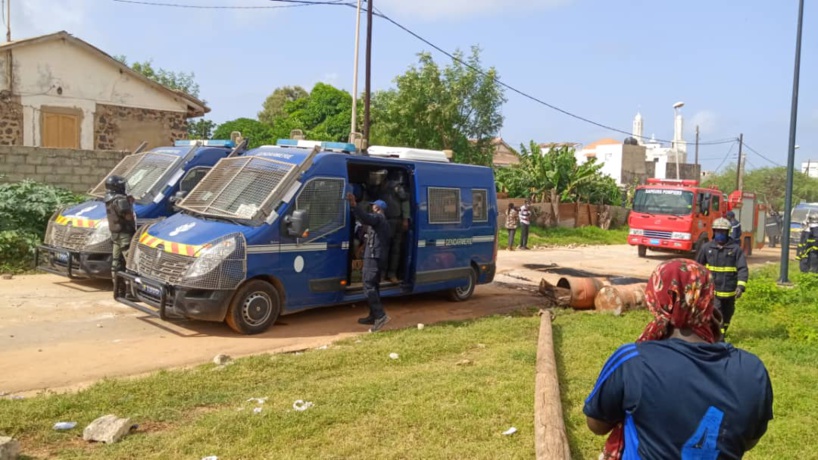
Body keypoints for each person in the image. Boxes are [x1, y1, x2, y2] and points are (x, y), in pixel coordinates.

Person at [584, 259, 773, 460]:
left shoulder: (633, 361)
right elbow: (749, 439)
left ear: (656, 301)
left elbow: (597, 425)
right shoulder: (753, 370)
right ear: (708, 300)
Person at [346, 192, 391, 332]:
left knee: (368, 286)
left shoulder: (378, 218)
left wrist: (354, 205)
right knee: (374, 286)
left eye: (373, 206)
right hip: (376, 256)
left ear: (377, 208)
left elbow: (366, 218)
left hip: (373, 258)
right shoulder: (382, 222)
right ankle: (373, 315)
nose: (371, 208)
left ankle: (380, 315)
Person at [696, 217, 748, 336]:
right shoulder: (707, 248)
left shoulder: (735, 250)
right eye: (718, 231)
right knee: (716, 312)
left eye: (723, 231)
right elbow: (698, 267)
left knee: (728, 313)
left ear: (728, 232)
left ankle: (723, 331)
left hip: (729, 291)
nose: (720, 234)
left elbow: (742, 269)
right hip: (713, 290)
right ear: (714, 232)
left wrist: (740, 286)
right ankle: (719, 336)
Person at [363, 169, 410, 283]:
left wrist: (405, 219)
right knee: (382, 248)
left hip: (395, 220)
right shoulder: (376, 189)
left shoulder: (395, 186)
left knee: (395, 249)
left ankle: (392, 274)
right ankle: (381, 274)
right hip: (383, 221)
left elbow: (405, 201)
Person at [104, 175, 136, 299]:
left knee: (116, 263)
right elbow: (128, 217)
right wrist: (130, 205)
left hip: (115, 234)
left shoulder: (108, 198)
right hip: (124, 234)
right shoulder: (120, 200)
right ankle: (130, 292)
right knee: (129, 263)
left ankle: (117, 290)